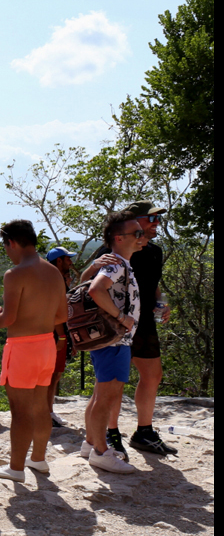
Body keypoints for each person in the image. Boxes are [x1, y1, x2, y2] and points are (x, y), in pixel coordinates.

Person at [80, 201, 177, 457]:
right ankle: (110, 435)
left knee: (152, 375)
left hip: (142, 322)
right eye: (151, 219)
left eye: (158, 219)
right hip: (115, 327)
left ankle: (143, 432)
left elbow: (152, 284)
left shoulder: (153, 251)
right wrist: (119, 316)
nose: (156, 224)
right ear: (133, 222)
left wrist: (162, 303)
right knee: (112, 384)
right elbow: (88, 286)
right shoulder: (114, 250)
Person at [0, 220, 69, 481]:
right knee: (40, 406)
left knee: (20, 410)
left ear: (12, 242)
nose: (7, 252)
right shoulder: (54, 272)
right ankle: (38, 459)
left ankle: (15, 468)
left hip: (23, 349)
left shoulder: (15, 274)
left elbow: (9, 318)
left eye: (6, 246)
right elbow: (62, 315)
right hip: (47, 345)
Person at [79, 212, 143, 473]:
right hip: (115, 340)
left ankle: (90, 444)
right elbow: (94, 290)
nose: (142, 237)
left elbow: (86, 284)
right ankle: (101, 452)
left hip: (110, 340)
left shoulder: (117, 264)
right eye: (137, 233)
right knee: (107, 397)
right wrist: (121, 317)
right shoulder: (116, 265)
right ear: (119, 238)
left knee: (100, 394)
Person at [44, 247, 77, 427]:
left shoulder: (55, 280)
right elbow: (55, 311)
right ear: (59, 261)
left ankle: (47, 411)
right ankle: (46, 413)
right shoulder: (52, 281)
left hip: (58, 334)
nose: (70, 262)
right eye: (67, 259)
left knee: (55, 375)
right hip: (55, 335)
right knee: (51, 376)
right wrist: (63, 337)